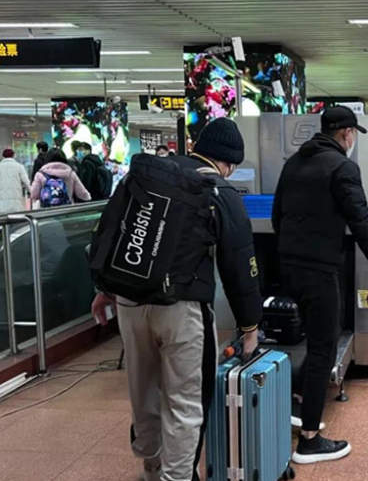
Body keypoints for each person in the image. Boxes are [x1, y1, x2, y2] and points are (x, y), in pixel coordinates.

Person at [91, 117, 264, 481]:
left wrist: (104, 290)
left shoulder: (146, 177)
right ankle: (178, 477)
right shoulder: (219, 190)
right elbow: (240, 265)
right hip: (182, 310)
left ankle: (151, 468)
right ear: (229, 163)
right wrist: (250, 326)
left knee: (144, 393)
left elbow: (109, 232)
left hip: (129, 303)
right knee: (185, 401)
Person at [272, 106, 368, 464]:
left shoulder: (293, 163)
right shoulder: (342, 167)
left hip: (289, 265)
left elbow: (278, 215)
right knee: (322, 349)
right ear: (346, 133)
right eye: (353, 133)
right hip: (319, 270)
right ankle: (309, 440)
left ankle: (299, 405)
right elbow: (361, 221)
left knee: (308, 340)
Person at [0, 148, 31, 214]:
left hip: (1, 203)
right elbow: (26, 182)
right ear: (13, 155)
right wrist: (32, 192)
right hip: (16, 202)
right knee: (16, 218)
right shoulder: (19, 166)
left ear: (3, 156)